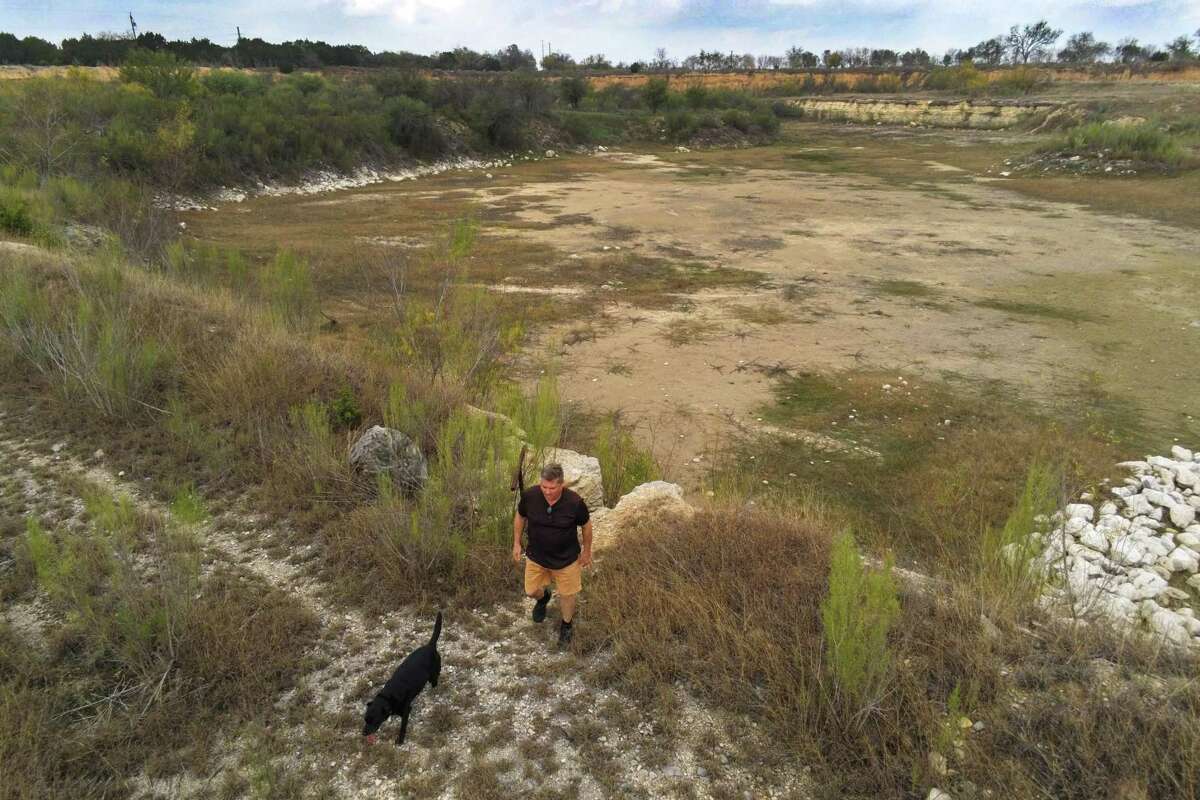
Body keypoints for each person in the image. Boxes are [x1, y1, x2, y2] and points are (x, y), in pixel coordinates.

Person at [513, 462, 592, 648]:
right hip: (536, 556)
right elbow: (520, 516)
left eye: (552, 487)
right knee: (530, 590)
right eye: (544, 487)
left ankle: (566, 625)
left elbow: (586, 526)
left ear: (561, 484)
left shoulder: (575, 502)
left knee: (567, 594)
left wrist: (587, 551)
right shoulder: (530, 496)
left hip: (566, 559)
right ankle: (543, 598)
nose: (547, 491)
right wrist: (516, 542)